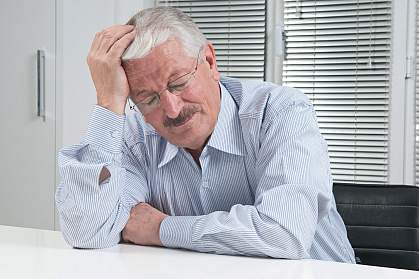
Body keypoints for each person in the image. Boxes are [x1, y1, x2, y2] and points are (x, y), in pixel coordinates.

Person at [56, 7, 355, 263]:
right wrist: (108, 104)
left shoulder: (279, 112)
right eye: (148, 99)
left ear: (210, 62)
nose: (172, 109)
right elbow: (88, 232)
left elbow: (283, 233)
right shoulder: (137, 136)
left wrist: (161, 229)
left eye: (178, 83)